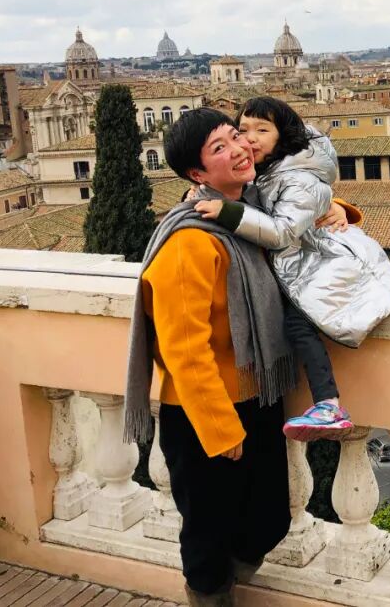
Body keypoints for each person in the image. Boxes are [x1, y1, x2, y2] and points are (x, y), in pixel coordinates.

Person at [124, 108, 302, 606]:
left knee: (269, 519)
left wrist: (338, 211)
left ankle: (225, 583)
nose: (240, 148)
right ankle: (210, 595)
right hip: (204, 412)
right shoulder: (190, 243)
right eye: (219, 148)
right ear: (196, 174)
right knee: (207, 535)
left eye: (236, 136)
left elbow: (297, 219)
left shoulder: (251, 216)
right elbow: (183, 348)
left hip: (259, 396)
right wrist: (219, 428)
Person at [194, 96, 390, 442]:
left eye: (262, 130)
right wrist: (202, 192)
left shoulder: (295, 177)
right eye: (243, 130)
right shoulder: (267, 171)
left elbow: (284, 228)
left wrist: (227, 212)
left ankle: (328, 404)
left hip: (321, 263)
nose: (250, 138)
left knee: (298, 323)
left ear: (283, 136)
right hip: (301, 261)